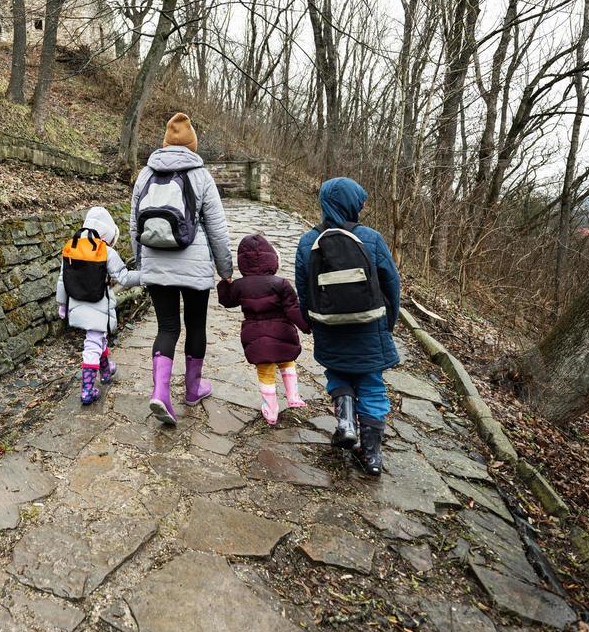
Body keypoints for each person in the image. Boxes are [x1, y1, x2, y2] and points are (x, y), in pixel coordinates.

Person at [294, 177, 402, 476]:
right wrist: (387, 321)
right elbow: (392, 284)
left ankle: (345, 423)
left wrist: (311, 321)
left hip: (329, 325)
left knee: (338, 373)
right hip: (371, 325)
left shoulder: (308, 242)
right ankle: (372, 455)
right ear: (352, 204)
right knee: (372, 384)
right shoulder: (371, 238)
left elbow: (304, 290)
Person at [130, 113, 232, 426]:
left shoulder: (146, 174)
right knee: (196, 325)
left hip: (156, 264)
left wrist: (140, 262)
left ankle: (160, 391)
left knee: (167, 328)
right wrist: (226, 270)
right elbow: (216, 227)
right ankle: (192, 389)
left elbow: (135, 224)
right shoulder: (201, 175)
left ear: (164, 142)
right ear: (192, 145)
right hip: (195, 265)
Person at [217, 232, 311, 425]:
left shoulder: (240, 286)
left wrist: (225, 284)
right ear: (272, 259)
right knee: (287, 362)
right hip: (282, 331)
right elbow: (293, 309)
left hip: (255, 335)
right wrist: (306, 326)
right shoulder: (281, 284)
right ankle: (293, 396)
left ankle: (271, 410)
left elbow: (227, 301)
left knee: (265, 372)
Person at [57, 206, 139, 404]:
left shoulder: (72, 246)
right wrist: (147, 276)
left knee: (97, 338)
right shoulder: (106, 251)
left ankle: (105, 370)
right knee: (92, 343)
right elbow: (124, 278)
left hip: (76, 303)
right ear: (108, 232)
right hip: (97, 304)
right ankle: (87, 390)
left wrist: (62, 304)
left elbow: (62, 279)